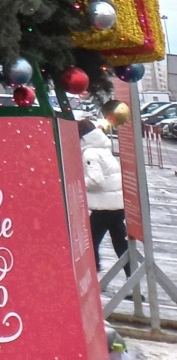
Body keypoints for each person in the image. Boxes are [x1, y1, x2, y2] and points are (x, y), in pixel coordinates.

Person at [80, 116, 128, 272]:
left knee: (91, 240)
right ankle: (131, 276)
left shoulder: (90, 154)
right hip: (117, 205)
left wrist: (79, 183)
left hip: (104, 208)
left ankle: (93, 271)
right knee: (120, 242)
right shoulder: (103, 150)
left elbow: (96, 180)